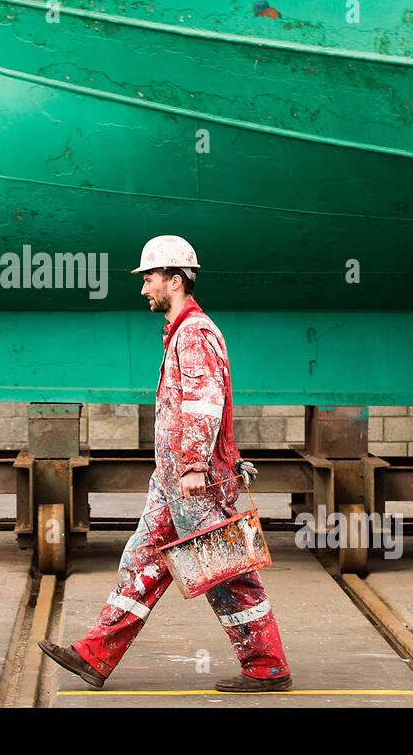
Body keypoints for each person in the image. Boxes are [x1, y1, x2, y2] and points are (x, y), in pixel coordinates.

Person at [39, 235, 292, 692]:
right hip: (174, 481)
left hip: (199, 481)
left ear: (176, 281)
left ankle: (267, 666)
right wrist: (172, 473)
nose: (144, 289)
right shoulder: (178, 333)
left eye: (150, 279)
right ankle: (96, 655)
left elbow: (203, 404)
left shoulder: (194, 334)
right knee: (143, 560)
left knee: (227, 573)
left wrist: (194, 464)